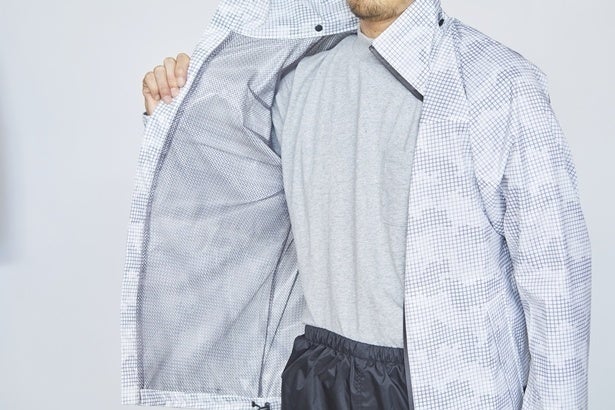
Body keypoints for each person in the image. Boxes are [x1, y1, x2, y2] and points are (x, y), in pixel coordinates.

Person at [127, 0, 592, 408]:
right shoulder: (297, 82)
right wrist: (174, 112)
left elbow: (556, 280)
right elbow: (229, 209)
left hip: (443, 384)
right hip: (319, 375)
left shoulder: (498, 83)